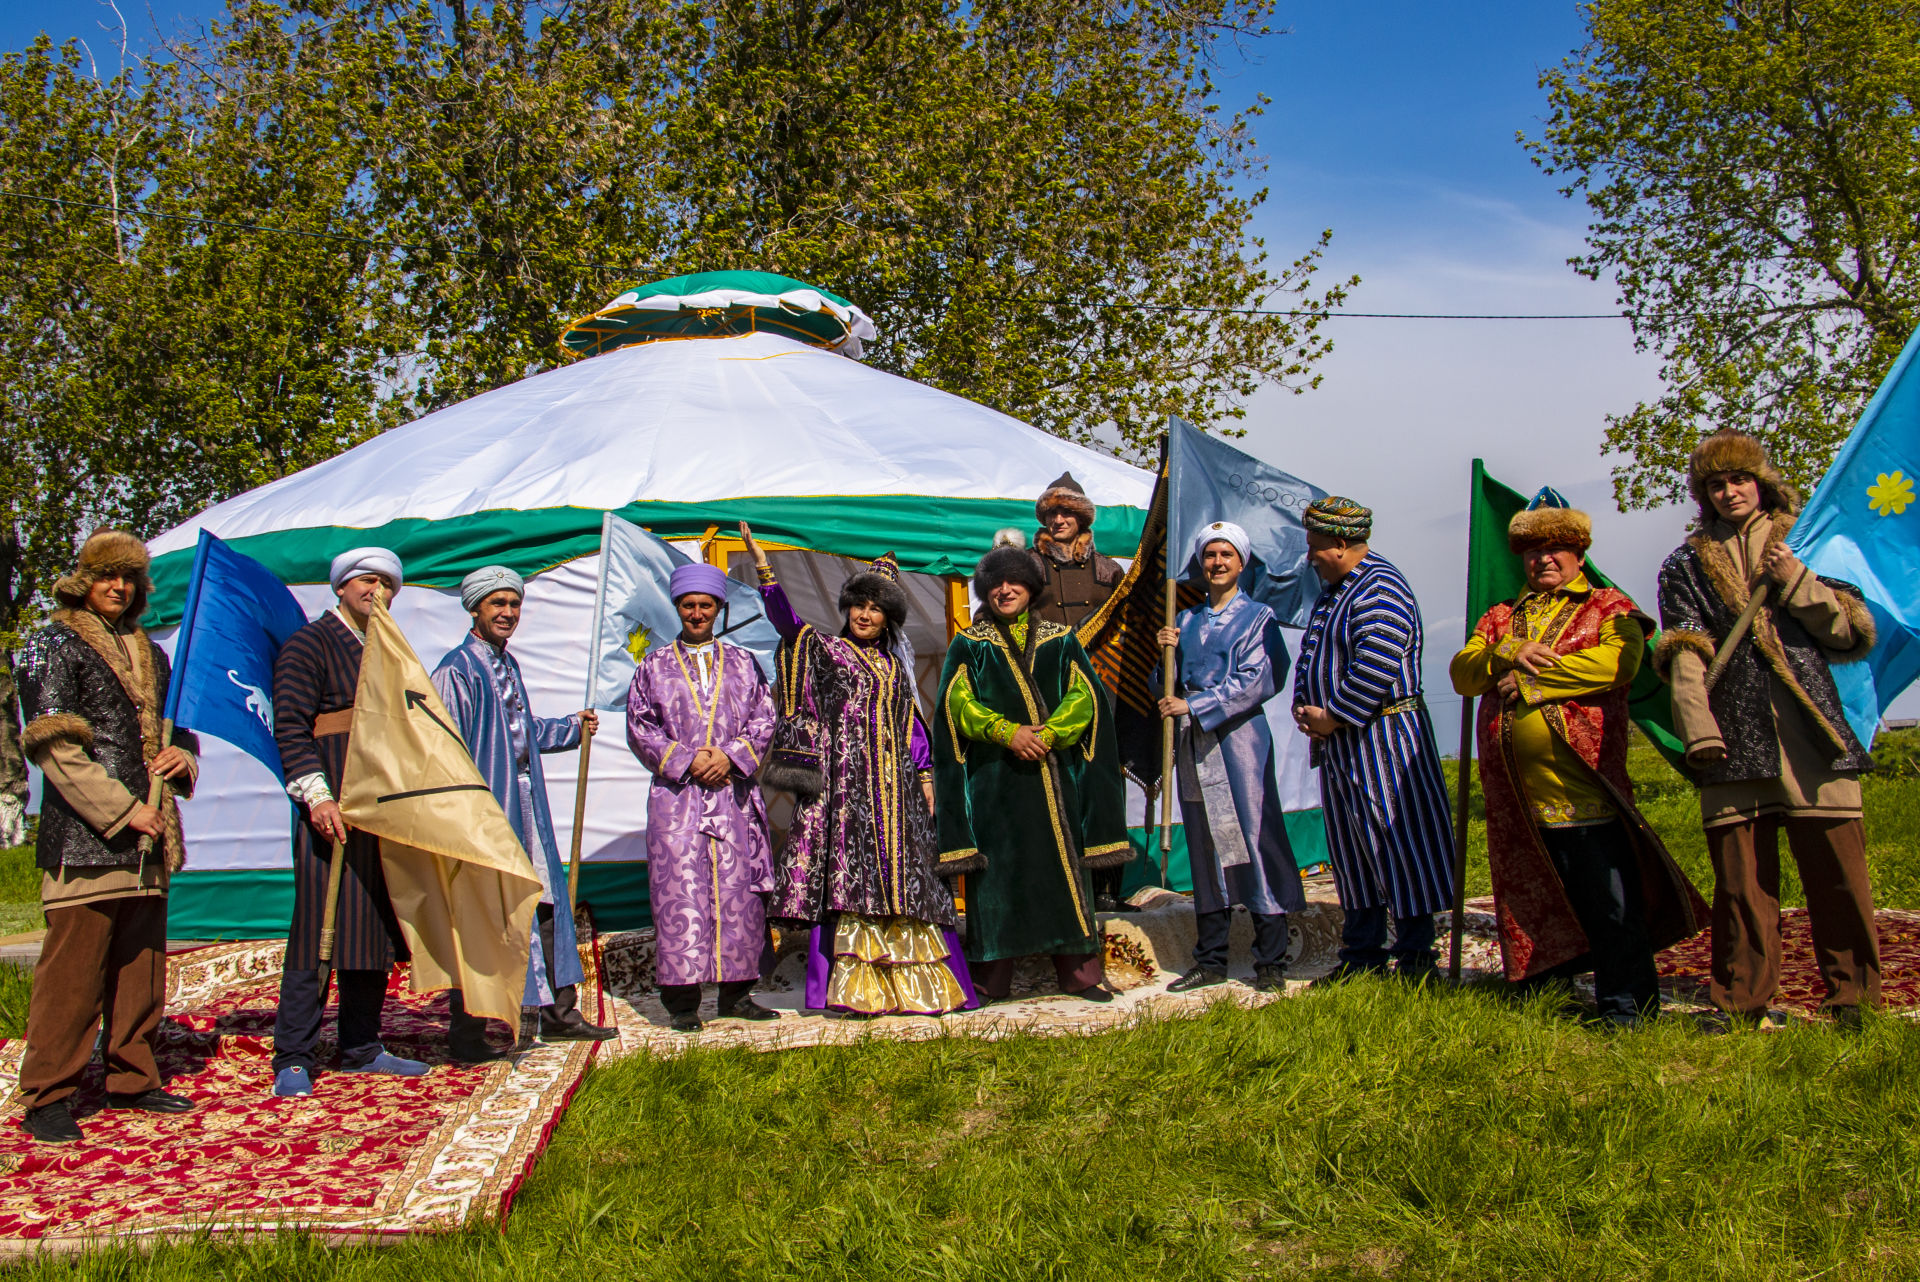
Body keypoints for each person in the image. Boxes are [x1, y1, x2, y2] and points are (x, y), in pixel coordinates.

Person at [1450, 491, 1705, 1024]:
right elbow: (1463, 673)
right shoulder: (1501, 616)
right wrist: (1505, 652)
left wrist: (1530, 681)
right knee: (1533, 900)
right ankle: (1543, 993)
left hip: (1585, 789)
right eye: (1533, 549)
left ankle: (1625, 1007)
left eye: (1556, 547)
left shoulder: (1611, 606)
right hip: (1515, 796)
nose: (1543, 557)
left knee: (1610, 903)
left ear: (1579, 553)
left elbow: (1619, 664)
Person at [1655, 430, 1879, 1026]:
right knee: (1741, 884)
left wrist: (1799, 580)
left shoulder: (1812, 542)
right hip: (1733, 728)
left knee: (1838, 876)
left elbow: (1848, 634)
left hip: (1811, 730)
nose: (1729, 492)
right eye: (1715, 485)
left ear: (1761, 482)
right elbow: (1684, 651)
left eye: (1739, 480)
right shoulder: (1685, 562)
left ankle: (1853, 997)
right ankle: (1741, 1001)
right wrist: (1698, 730)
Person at [740, 522, 975, 1016]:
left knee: (908, 881)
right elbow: (789, 625)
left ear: (889, 618)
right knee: (853, 880)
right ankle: (855, 992)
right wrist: (765, 571)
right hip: (846, 790)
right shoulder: (827, 650)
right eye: (860, 606)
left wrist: (927, 776)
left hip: (898, 795)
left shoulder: (895, 667)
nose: (867, 615)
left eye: (877, 609)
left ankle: (915, 989)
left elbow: (911, 727)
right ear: (847, 608)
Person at [15, 531, 200, 1143]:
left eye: (128, 579)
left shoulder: (153, 653)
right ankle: (48, 1093)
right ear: (82, 582)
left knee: (140, 968)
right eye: (106, 577)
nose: (118, 588)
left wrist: (183, 758)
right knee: (73, 973)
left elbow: (180, 729)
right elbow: (54, 746)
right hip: (87, 834)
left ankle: (133, 1076)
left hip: (150, 836)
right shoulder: (51, 644)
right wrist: (123, 813)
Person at [432, 566, 619, 1058]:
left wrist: (570, 728)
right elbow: (443, 751)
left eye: (514, 604)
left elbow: (519, 734)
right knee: (484, 913)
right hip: (486, 812)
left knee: (549, 903)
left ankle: (560, 1014)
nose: (508, 613)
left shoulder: (506, 664)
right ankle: (469, 1033)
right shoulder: (456, 670)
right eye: (498, 604)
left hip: (526, 803)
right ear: (475, 608)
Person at [935, 546, 1130, 1003]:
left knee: (1061, 870)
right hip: (993, 782)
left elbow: (1085, 697)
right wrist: (1006, 732)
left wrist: (1048, 734)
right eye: (996, 584)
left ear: (1031, 586)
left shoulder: (1061, 639)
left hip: (1054, 777)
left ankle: (1080, 975)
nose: (1005, 590)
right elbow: (955, 704)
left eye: (1014, 581)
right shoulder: (971, 643)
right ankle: (992, 980)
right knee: (997, 878)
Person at [270, 547, 427, 1096]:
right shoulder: (308, 644)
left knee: (372, 928)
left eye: (386, 584)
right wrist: (317, 797)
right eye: (366, 581)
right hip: (330, 802)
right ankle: (293, 1056)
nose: (376, 591)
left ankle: (360, 1046)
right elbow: (289, 726)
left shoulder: (389, 649)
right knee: (319, 925)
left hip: (380, 806)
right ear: (340, 587)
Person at [1292, 496, 1456, 981]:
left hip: (1384, 736)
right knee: (1351, 850)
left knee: (1397, 842)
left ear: (1341, 544)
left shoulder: (1380, 587)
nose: (1310, 556)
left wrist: (1334, 715)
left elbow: (1377, 664)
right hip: (1343, 742)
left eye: (1316, 547)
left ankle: (1416, 958)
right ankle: (1362, 956)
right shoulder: (1338, 588)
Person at [624, 562, 780, 1033]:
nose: (697, 613)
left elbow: (764, 717)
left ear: (718, 608)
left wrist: (731, 757)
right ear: (678, 608)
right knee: (681, 894)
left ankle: (737, 995)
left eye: (705, 605)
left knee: (739, 893)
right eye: (688, 605)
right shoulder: (652, 666)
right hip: (678, 800)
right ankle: (683, 1004)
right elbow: (639, 725)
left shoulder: (744, 663)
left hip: (732, 796)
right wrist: (686, 760)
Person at [1154, 521, 1306, 995]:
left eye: (1226, 555)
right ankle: (1211, 959)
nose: (1217, 563)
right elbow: (1162, 687)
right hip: (1194, 743)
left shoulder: (1258, 616)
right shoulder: (1186, 620)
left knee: (1254, 834)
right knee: (1203, 842)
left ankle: (1270, 960)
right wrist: (1166, 659)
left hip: (1239, 739)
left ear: (1241, 562)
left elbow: (1261, 678)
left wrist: (1197, 705)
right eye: (1209, 555)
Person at [1025, 471, 1133, 913]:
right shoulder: (1027, 567)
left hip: (1101, 686)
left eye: (1068, 512)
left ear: (1083, 517)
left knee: (1102, 783)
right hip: (1048, 687)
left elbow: (1131, 626)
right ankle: (1058, 882)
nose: (1059, 519)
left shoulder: (1111, 570)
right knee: (1052, 781)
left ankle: (1107, 887)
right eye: (1052, 512)